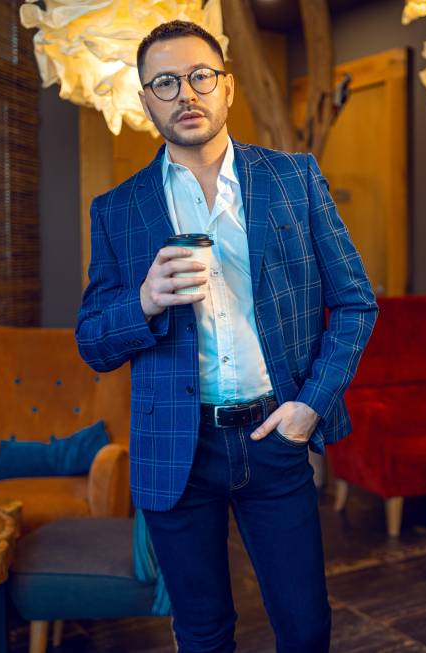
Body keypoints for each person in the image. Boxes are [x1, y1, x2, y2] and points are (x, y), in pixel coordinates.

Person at [75, 20, 377, 653]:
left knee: (306, 628)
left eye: (200, 76)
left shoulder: (294, 178)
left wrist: (310, 406)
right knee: (203, 634)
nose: (186, 93)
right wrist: (144, 301)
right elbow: (93, 343)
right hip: (175, 451)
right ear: (145, 100)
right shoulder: (117, 209)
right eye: (165, 82)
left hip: (276, 434)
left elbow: (355, 302)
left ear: (228, 87)